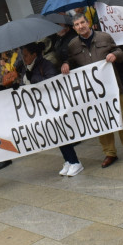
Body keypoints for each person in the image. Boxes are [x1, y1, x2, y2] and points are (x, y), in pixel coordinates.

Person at [61, 14, 123, 167]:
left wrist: (114, 55)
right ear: (74, 28)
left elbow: (120, 52)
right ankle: (109, 153)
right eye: (76, 24)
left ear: (88, 22)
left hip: (112, 87)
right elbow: (71, 61)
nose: (80, 26)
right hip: (92, 92)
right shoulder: (73, 45)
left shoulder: (104, 37)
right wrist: (66, 64)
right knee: (101, 122)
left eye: (82, 22)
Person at [19, 43, 83, 177]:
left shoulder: (45, 64)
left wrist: (33, 79)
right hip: (40, 108)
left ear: (34, 55)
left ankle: (75, 161)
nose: (23, 58)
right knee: (55, 134)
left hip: (52, 105)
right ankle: (67, 161)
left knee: (62, 132)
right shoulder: (26, 69)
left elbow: (51, 81)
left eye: (25, 55)